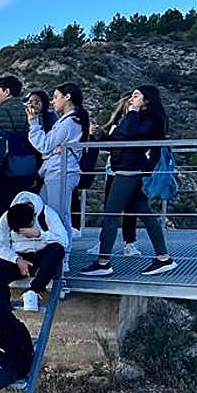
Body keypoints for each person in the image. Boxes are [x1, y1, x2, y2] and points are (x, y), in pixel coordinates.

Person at [79, 85, 177, 277]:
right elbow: (115, 143)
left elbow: (134, 135)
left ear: (147, 100)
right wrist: (98, 135)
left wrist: (133, 112)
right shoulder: (130, 118)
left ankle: (103, 262)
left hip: (129, 171)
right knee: (145, 214)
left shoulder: (151, 119)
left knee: (110, 215)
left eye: (136, 95)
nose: (132, 99)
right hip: (123, 169)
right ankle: (163, 258)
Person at [0, 75, 34, 264]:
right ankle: (23, 249)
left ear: (6, 91)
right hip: (28, 169)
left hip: (4, 171)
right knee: (24, 210)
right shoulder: (28, 111)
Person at [0, 193, 68, 314]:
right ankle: (3, 308)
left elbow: (63, 239)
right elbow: (0, 246)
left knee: (57, 250)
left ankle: (35, 290)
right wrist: (17, 259)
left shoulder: (47, 213)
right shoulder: (7, 217)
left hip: (43, 252)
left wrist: (39, 234)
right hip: (21, 255)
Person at [28, 82, 88, 236]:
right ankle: (57, 251)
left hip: (60, 172)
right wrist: (52, 150)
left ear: (67, 97)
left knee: (59, 217)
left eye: (56, 97)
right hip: (57, 171)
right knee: (48, 212)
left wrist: (33, 123)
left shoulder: (69, 122)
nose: (53, 101)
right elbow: (49, 148)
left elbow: (44, 144)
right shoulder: (71, 121)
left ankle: (63, 255)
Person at [85, 95, 140, 256]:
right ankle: (104, 243)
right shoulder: (117, 124)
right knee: (110, 209)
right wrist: (97, 134)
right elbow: (110, 145)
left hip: (131, 171)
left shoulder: (139, 125)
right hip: (113, 171)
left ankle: (129, 243)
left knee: (130, 209)